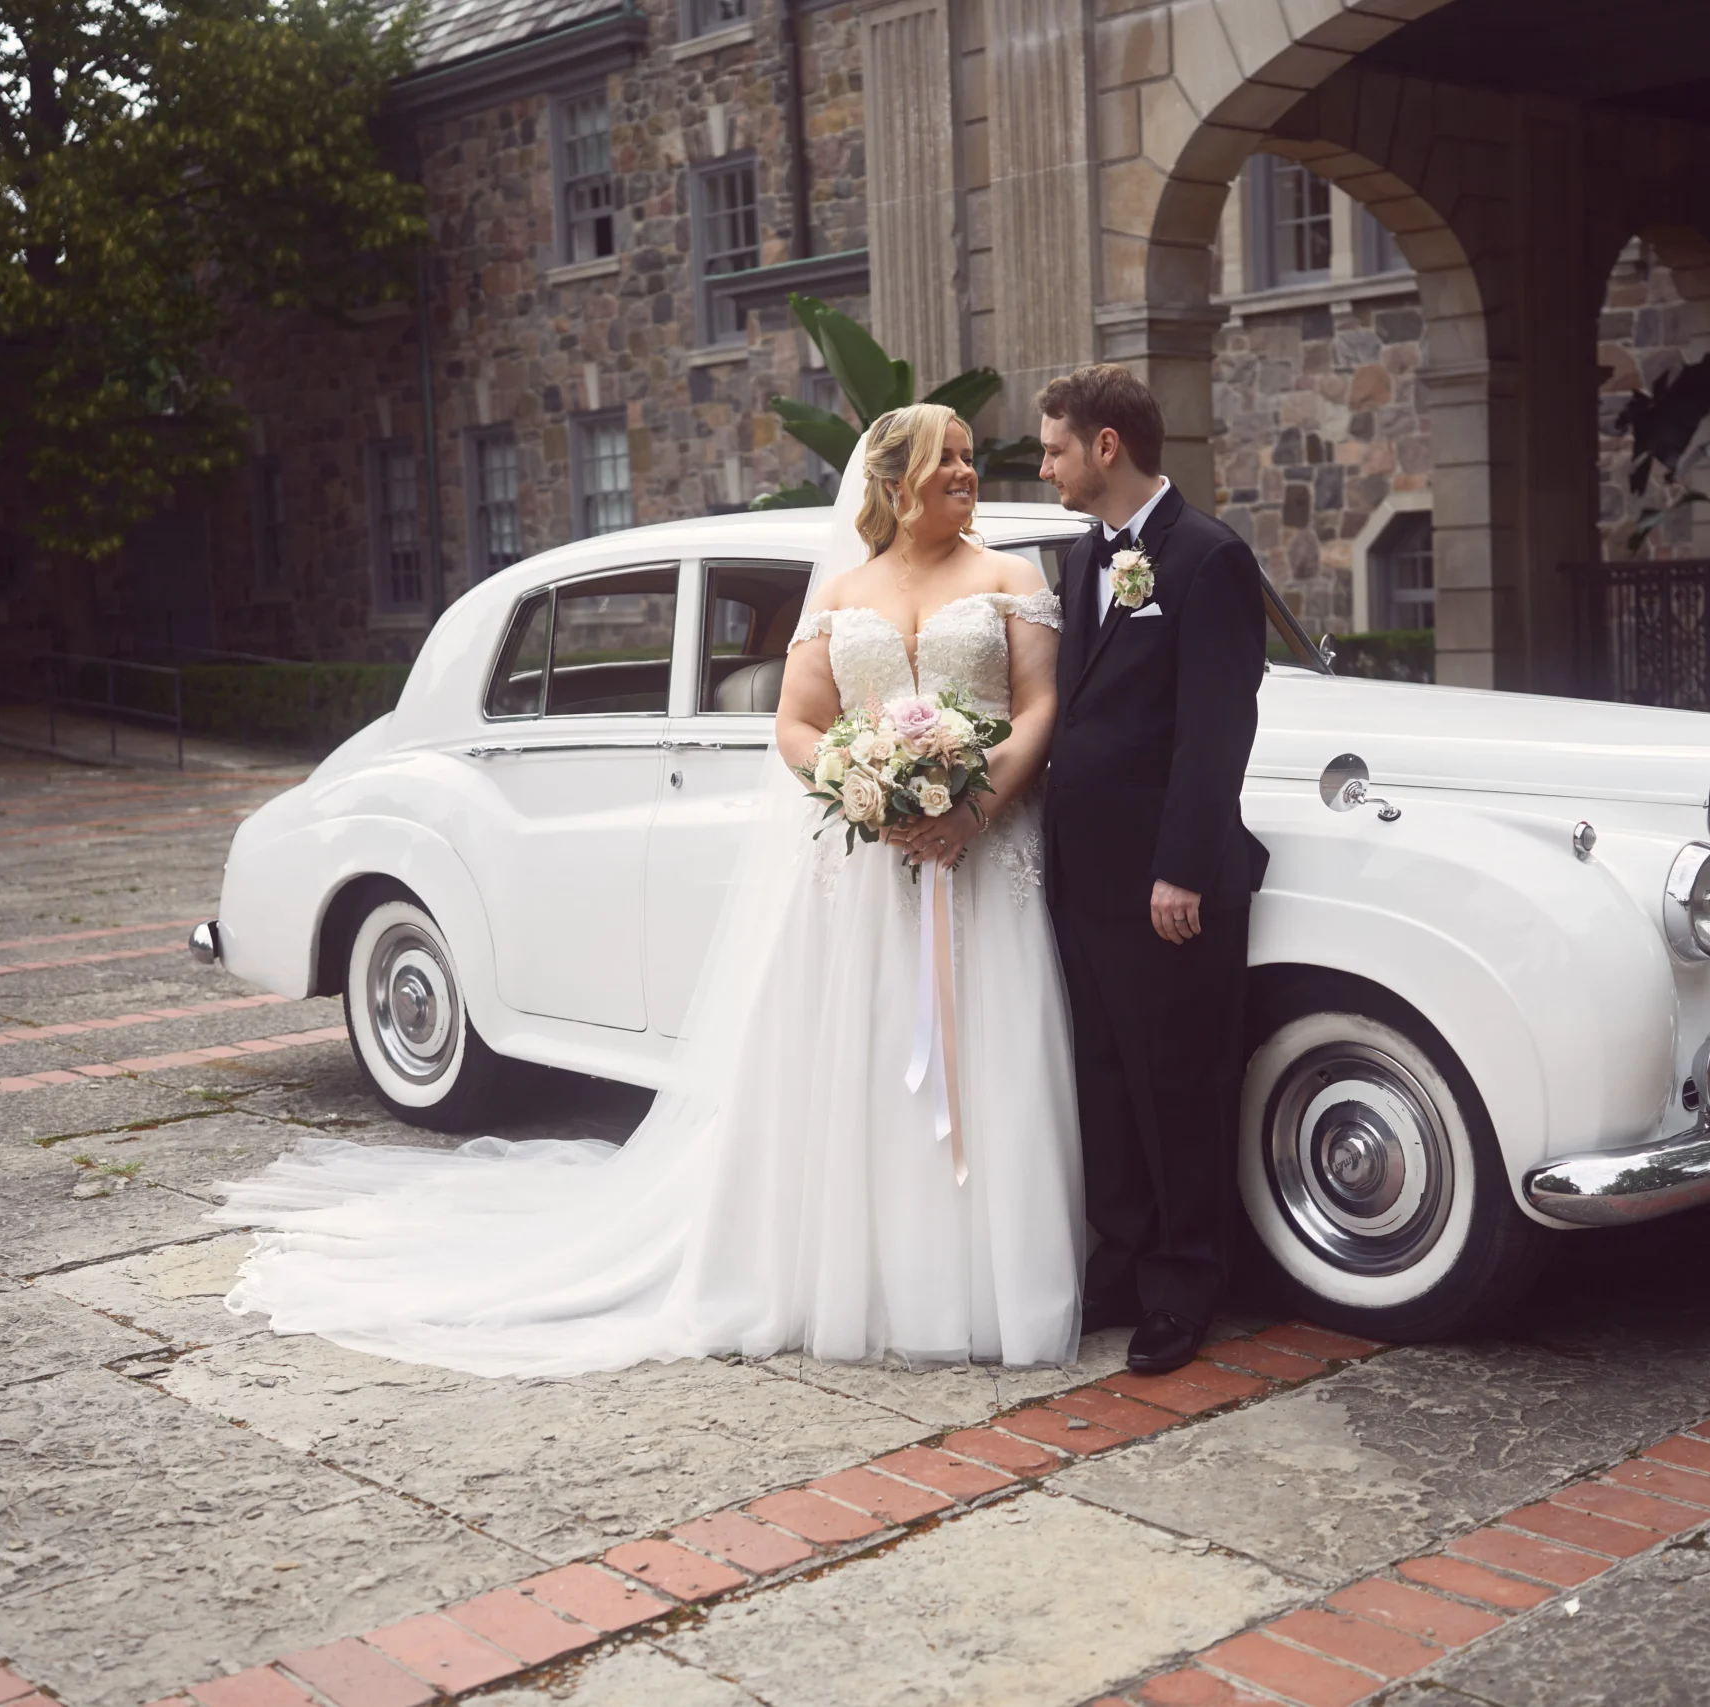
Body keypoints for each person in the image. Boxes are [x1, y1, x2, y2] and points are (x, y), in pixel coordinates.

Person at [210, 405, 1084, 1377]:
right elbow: (797, 725)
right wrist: (865, 789)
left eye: (968, 457)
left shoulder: (1012, 575)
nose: (967, 473)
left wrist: (972, 807)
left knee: (992, 1057)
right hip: (872, 866)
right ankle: (871, 1279)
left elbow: (1041, 702)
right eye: (947, 459)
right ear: (894, 482)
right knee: (865, 1062)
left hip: (987, 858)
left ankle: (987, 1283)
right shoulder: (843, 590)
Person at [1036, 365, 1269, 1377]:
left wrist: (1181, 868)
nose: (1043, 465)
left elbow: (1216, 729)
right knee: (1105, 1081)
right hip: (1081, 876)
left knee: (1177, 1087)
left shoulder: (1208, 557)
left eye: (1051, 447)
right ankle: (1122, 1267)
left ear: (1103, 447)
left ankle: (1185, 1285)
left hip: (1164, 888)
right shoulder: (1085, 555)